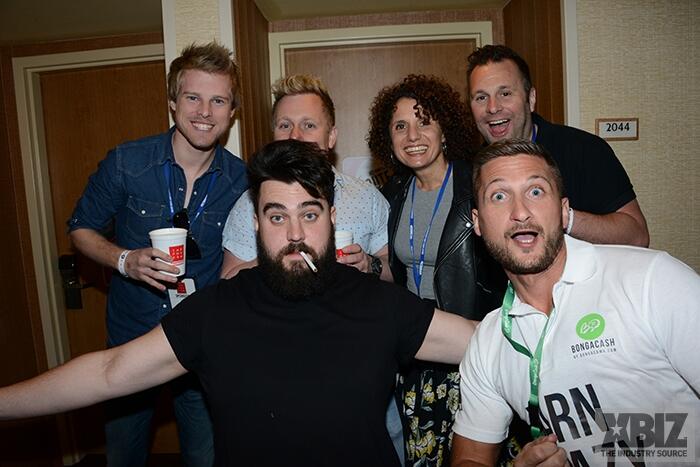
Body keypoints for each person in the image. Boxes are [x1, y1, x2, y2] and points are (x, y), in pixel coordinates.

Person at [2, 139, 479, 467]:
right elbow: (109, 371)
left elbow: (485, 341)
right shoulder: (216, 311)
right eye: (277, 216)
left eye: (310, 214)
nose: (295, 234)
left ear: (332, 217)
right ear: (255, 222)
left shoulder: (379, 304)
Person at [451, 140, 700, 467]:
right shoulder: (489, 341)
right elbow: (471, 458)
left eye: (536, 191)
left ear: (563, 210)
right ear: (477, 222)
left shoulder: (651, 281)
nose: (520, 212)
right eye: (499, 196)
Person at [67, 42, 248, 466]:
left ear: (232, 112)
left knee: (205, 456)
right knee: (124, 455)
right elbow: (80, 229)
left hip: (200, 341)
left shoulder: (242, 180)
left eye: (218, 100)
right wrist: (124, 260)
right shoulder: (126, 162)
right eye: (193, 97)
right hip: (131, 338)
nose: (205, 112)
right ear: (172, 102)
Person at [367, 74, 506, 466]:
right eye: (400, 126)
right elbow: (397, 270)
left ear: (445, 130)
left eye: (424, 122)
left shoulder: (477, 184)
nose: (413, 135)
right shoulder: (392, 194)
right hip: (416, 350)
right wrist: (368, 265)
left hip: (472, 346)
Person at [467, 44, 649, 247]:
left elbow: (637, 236)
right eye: (481, 97)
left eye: (505, 93)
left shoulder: (584, 150)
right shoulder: (469, 167)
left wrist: (563, 217)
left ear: (531, 99)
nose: (493, 108)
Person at [221, 74, 390, 280]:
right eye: (285, 125)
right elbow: (228, 280)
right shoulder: (250, 202)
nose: (295, 136)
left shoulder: (367, 197)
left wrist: (370, 264)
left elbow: (396, 273)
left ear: (331, 137)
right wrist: (274, 256)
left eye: (308, 125)